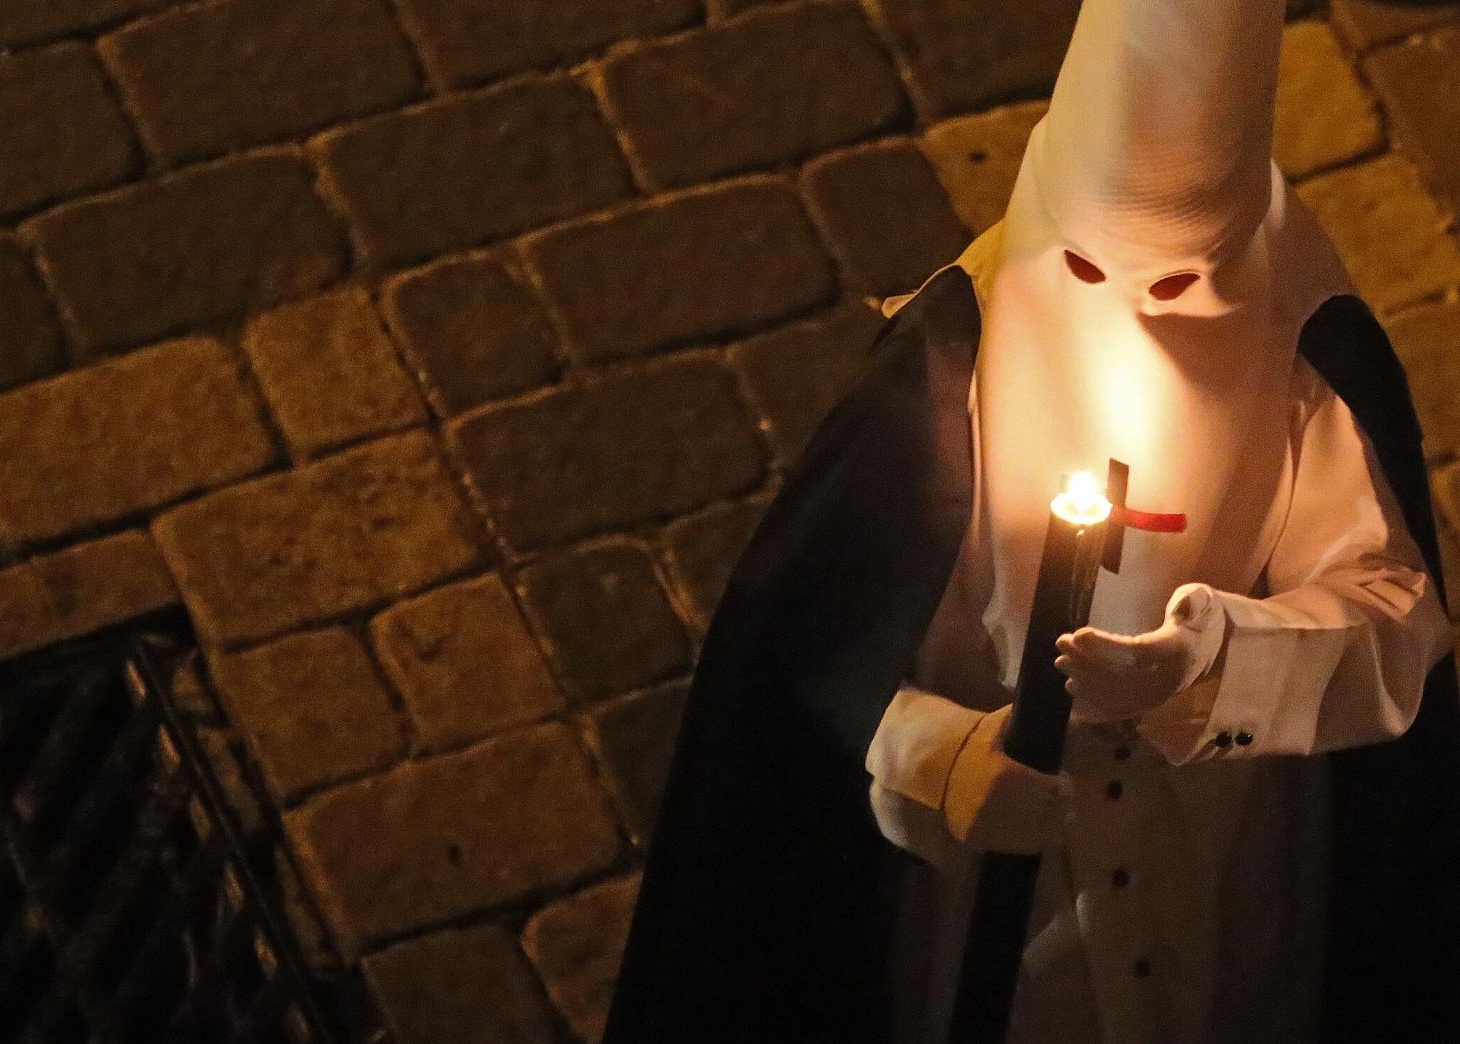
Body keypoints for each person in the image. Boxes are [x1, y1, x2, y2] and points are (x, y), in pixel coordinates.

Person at [602, 0, 1460, 1039]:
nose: (1138, 326)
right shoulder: (945, 381)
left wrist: (1210, 664)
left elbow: (1396, 622)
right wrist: (944, 760)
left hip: (1224, 844)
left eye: (1187, 286)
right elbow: (819, 657)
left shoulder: (1297, 367)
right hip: (990, 874)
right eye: (1092, 274)